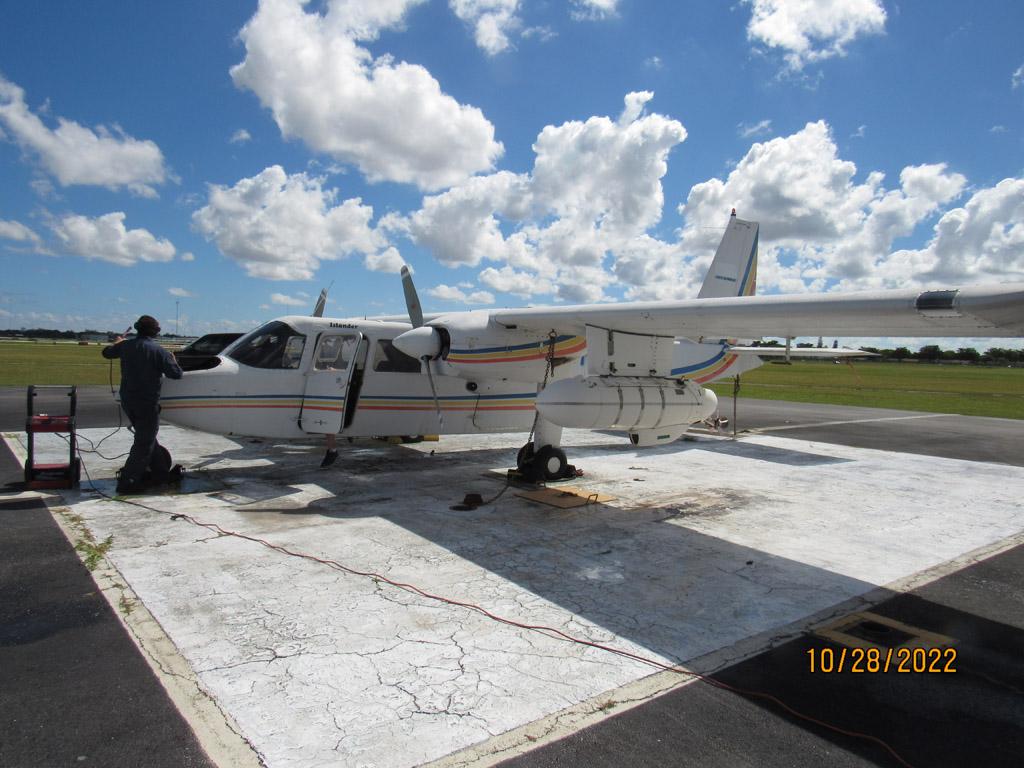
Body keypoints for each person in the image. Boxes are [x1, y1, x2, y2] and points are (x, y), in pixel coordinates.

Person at [102, 315, 183, 493]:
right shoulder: (158, 351)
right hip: (146, 403)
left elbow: (106, 353)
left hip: (127, 400)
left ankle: (161, 473)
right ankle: (128, 482)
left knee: (147, 438)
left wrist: (117, 342)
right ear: (155, 332)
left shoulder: (125, 346)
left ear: (138, 328)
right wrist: (174, 360)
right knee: (144, 443)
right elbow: (176, 374)